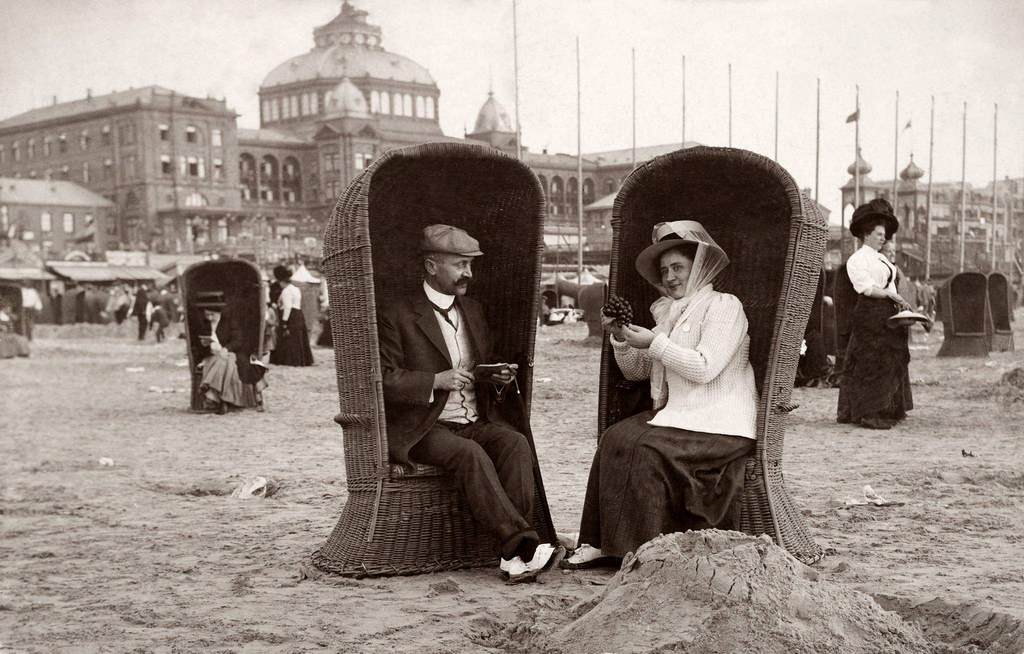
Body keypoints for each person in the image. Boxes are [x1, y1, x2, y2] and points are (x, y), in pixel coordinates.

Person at [563, 220, 758, 569]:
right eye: (665, 270)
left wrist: (654, 342)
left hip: (722, 423)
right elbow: (638, 371)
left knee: (644, 448)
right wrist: (623, 338)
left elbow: (703, 368)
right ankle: (599, 541)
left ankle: (639, 549)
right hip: (682, 416)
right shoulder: (668, 312)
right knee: (614, 438)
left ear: (699, 267)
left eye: (678, 267)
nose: (670, 277)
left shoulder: (725, 306)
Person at [377, 224, 557, 582]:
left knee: (514, 444)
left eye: (470, 265)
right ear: (431, 266)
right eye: (460, 265)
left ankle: (514, 557)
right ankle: (520, 546)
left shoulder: (473, 310)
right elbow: (382, 378)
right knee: (468, 454)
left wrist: (496, 377)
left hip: (473, 420)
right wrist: (434, 381)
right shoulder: (397, 314)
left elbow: (478, 369)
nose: (468, 274)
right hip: (424, 427)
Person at [836, 198, 914, 430]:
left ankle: (888, 408)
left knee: (890, 359)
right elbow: (866, 288)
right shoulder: (857, 259)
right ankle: (868, 412)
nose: (884, 238)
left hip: (887, 313)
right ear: (867, 234)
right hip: (869, 314)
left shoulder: (881, 258)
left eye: (884, 234)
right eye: (879, 234)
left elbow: (890, 286)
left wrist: (900, 303)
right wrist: (892, 297)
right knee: (871, 361)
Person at [197, 303, 267, 413]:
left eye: (212, 315)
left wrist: (226, 348)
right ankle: (219, 397)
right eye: (207, 315)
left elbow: (238, 341)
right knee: (224, 361)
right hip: (213, 355)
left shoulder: (229, 322)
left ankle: (213, 392)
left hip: (232, 352)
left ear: (219, 313)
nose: (210, 318)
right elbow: (198, 344)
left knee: (227, 361)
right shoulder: (204, 324)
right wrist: (204, 345)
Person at [269, 265, 313, 366]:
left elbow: (287, 307)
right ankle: (302, 359)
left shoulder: (286, 291)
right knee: (299, 338)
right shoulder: (296, 289)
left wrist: (284, 322)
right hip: (299, 313)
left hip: (291, 315)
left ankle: (290, 360)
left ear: (282, 282)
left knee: (289, 338)